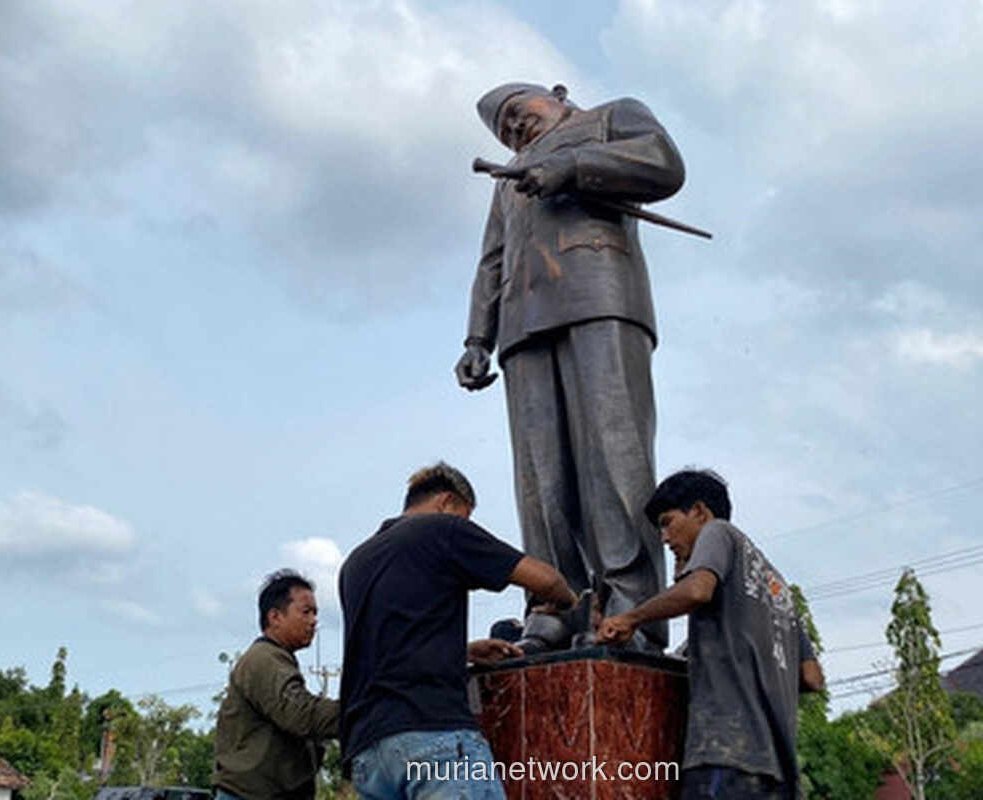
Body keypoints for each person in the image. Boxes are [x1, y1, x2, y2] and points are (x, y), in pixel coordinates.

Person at [454, 82, 686, 652]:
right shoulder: (507, 180)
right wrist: (477, 336)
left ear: (556, 95)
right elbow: (492, 258)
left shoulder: (611, 117)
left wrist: (572, 168)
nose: (513, 128)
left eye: (518, 112)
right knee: (541, 476)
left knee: (614, 455)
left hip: (600, 295)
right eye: (504, 128)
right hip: (520, 323)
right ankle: (554, 606)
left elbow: (663, 162)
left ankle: (631, 605)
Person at [338, 462, 579, 800]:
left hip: (368, 753)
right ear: (446, 503)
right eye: (464, 517)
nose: (465, 526)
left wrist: (461, 651)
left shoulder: (357, 562)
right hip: (431, 734)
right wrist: (571, 601)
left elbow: (386, 642)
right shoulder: (441, 529)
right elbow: (547, 579)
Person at [597, 470, 817, 799]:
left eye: (667, 522)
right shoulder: (778, 588)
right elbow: (812, 677)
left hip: (726, 755)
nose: (664, 537)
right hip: (778, 771)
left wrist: (631, 617)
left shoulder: (718, 532)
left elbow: (698, 590)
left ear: (700, 512)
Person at [214, 570, 340, 800]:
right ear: (275, 617)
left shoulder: (275, 659)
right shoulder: (264, 659)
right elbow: (299, 714)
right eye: (306, 612)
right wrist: (363, 711)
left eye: (315, 613)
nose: (314, 621)